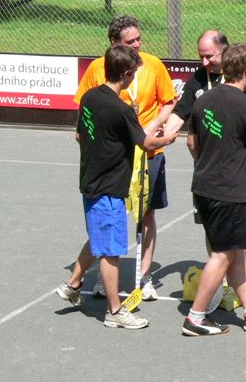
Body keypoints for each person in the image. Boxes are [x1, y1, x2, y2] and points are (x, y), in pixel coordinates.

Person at [56, 45, 177, 328]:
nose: (134, 77)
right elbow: (145, 143)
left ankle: (73, 284)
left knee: (98, 236)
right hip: (109, 187)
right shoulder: (122, 110)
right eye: (133, 72)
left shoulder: (90, 97)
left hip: (90, 180)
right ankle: (114, 312)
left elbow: (80, 135)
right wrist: (167, 139)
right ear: (125, 74)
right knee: (110, 251)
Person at [75, 15, 178, 301]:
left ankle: (143, 276)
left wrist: (154, 125)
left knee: (146, 213)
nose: (137, 45)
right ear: (114, 43)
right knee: (110, 217)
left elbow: (169, 102)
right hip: (116, 157)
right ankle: (105, 277)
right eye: (130, 41)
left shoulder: (153, 64)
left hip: (149, 151)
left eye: (139, 39)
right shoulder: (97, 69)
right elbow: (85, 113)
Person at [182, 42, 246, 336]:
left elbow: (192, 142)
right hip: (231, 190)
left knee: (234, 251)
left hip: (204, 186)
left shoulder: (203, 101)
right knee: (223, 254)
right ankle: (196, 317)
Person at [169, 30, 246, 305]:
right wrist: (160, 135)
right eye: (200, 57)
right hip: (210, 171)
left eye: (210, 56)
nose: (205, 62)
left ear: (225, 52)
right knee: (213, 230)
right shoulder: (198, 81)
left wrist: (240, 126)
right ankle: (223, 283)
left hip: (241, 170)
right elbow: (180, 116)